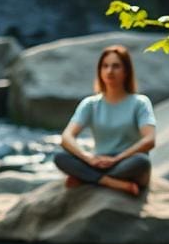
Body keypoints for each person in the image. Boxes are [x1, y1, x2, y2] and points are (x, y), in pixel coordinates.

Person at [54, 44, 157, 196]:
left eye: (116, 66)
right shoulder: (90, 104)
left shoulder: (140, 103)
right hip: (97, 163)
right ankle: (112, 183)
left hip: (126, 162)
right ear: (99, 71)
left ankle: (85, 178)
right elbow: (66, 137)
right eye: (105, 66)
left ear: (126, 71)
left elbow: (150, 140)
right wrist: (88, 158)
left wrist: (117, 159)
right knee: (60, 157)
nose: (109, 71)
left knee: (141, 161)